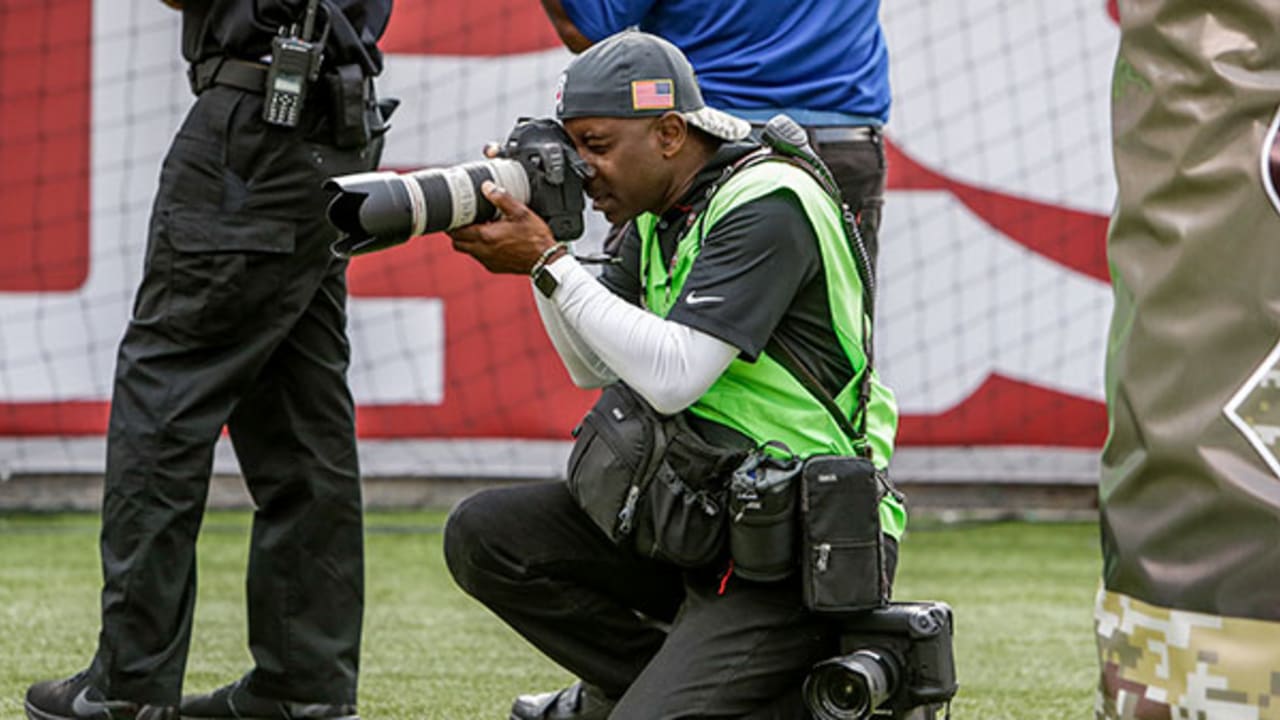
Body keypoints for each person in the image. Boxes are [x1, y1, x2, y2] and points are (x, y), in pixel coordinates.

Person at [443, 31, 906, 720]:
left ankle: (786, 696)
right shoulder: (661, 210)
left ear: (667, 133)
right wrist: (552, 249)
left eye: (597, 146)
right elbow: (592, 364)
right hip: (700, 517)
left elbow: (673, 377)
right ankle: (660, 689)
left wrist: (547, 263)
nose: (584, 171)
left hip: (796, 551)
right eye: (574, 150)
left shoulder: (768, 200)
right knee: (486, 536)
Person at [23, 1, 392, 718]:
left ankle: (128, 685)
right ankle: (303, 685)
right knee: (301, 409)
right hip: (334, 122)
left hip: (256, 127)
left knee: (162, 399)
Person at [540, 0, 890, 268]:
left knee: (651, 345)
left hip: (706, 149)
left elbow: (589, 28)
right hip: (846, 139)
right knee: (831, 345)